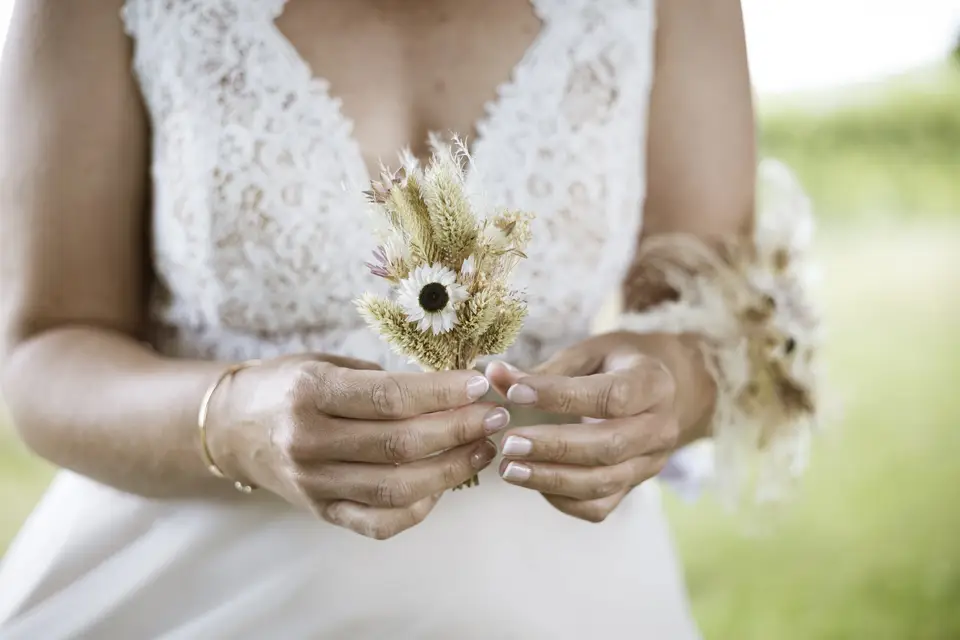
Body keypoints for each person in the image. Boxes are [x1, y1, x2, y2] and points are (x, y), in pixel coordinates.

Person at [0, 0, 820, 637]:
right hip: (181, 590)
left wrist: (666, 386)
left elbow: (721, 320)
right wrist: (236, 418)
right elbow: (45, 349)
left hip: (560, 603)